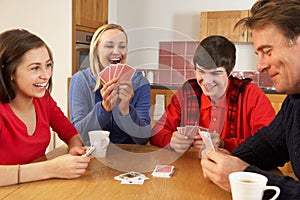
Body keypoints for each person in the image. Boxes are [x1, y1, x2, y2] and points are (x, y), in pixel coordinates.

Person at [201, 0, 300, 199]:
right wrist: (228, 160)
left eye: (267, 51)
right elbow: (270, 143)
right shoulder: (294, 100)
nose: (260, 66)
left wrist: (247, 178)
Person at [151, 35, 275, 153]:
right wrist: (171, 142)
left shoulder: (251, 95)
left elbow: (269, 144)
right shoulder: (187, 93)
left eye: (216, 73)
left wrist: (224, 144)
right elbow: (156, 133)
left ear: (230, 71)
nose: (207, 81)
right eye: (201, 72)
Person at [0, 29, 91, 187]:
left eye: (48, 65)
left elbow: (71, 134)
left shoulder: (44, 101)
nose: (46, 75)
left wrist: (75, 149)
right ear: (9, 73)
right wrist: (49, 169)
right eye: (35, 68)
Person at [69, 23, 151, 145]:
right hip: (92, 155)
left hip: (129, 156)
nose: (117, 52)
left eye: (122, 46)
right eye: (109, 46)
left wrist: (126, 111)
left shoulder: (141, 83)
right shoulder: (81, 80)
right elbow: (78, 136)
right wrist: (103, 109)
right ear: (96, 50)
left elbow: (143, 138)